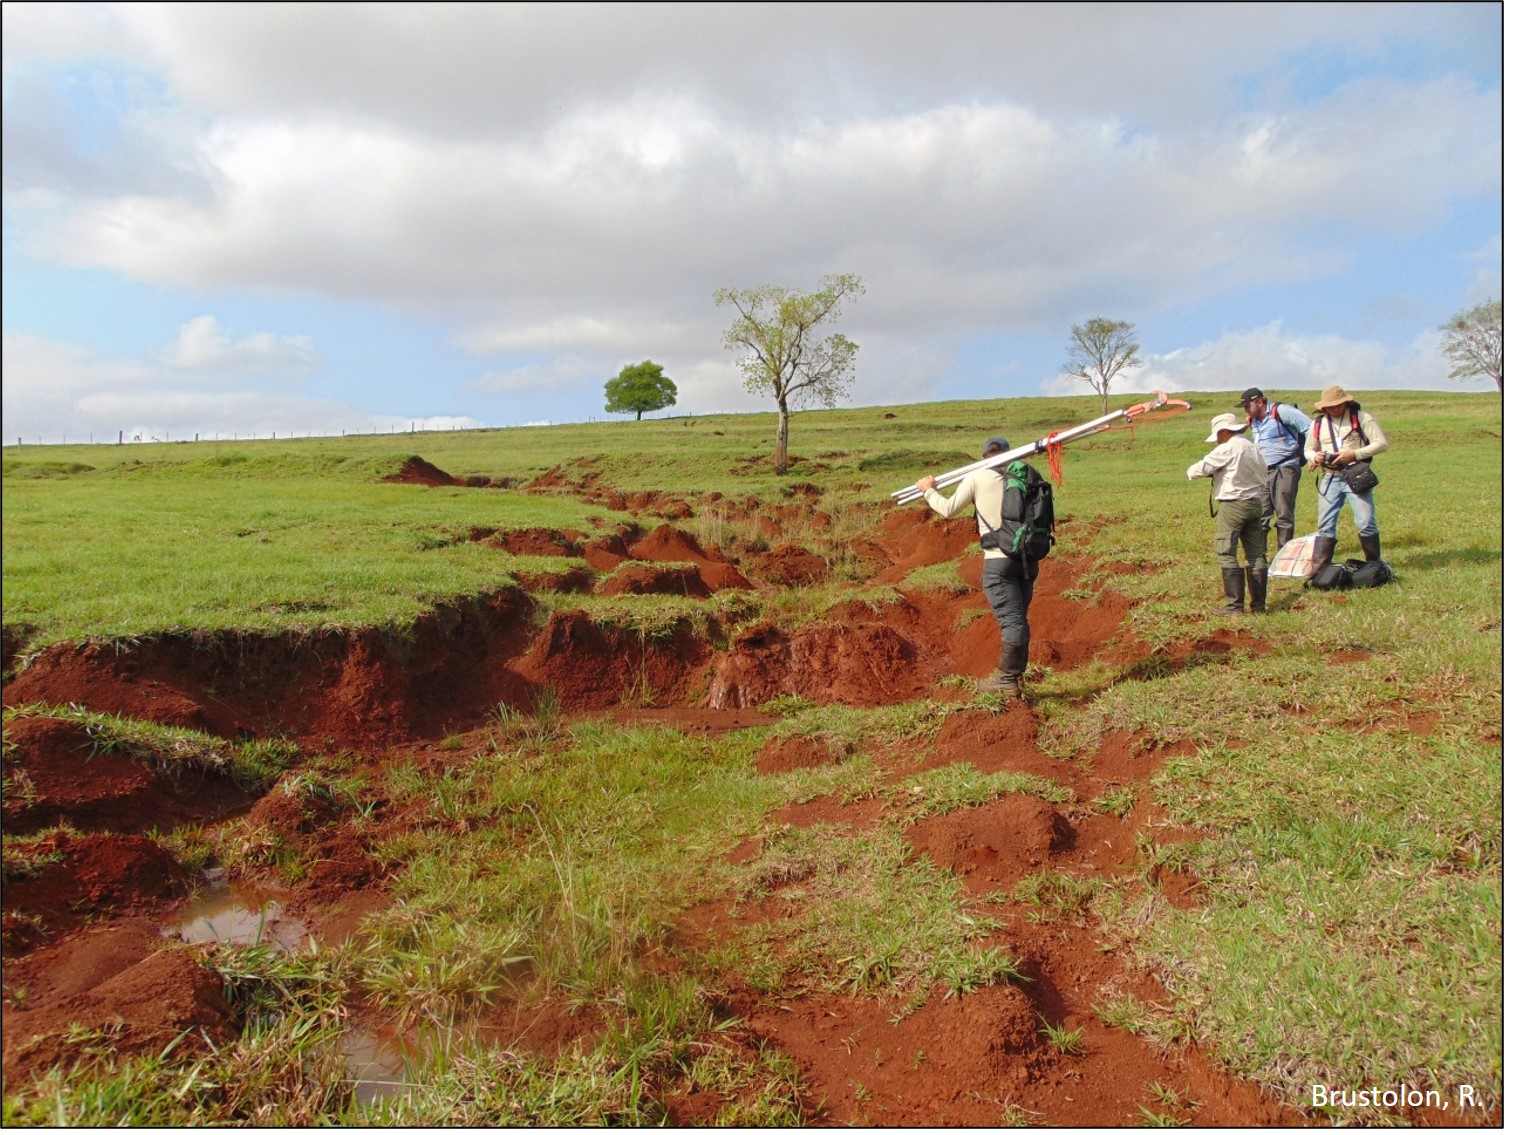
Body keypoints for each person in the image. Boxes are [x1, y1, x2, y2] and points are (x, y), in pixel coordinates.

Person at [916, 438, 1035, 696]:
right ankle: (1015, 678)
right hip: (1028, 560)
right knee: (1019, 620)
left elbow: (948, 509)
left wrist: (927, 490)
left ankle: (1007, 681)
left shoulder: (978, 476)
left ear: (984, 456)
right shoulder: (1025, 474)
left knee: (1012, 622)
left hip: (998, 560)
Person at [1303, 384, 1389, 579]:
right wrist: (1314, 457)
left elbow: (1381, 443)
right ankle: (1320, 571)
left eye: (1338, 405)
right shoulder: (1317, 424)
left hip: (1356, 475)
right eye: (1330, 406)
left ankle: (1374, 566)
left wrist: (1354, 454)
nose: (1334, 409)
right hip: (1330, 477)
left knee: (1366, 522)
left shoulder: (1362, 418)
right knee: (1325, 525)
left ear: (1346, 402)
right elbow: (1308, 449)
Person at [1187, 412, 1270, 613]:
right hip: (1255, 502)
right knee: (1256, 554)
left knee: (1226, 551)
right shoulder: (1253, 447)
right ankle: (1259, 606)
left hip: (1233, 504)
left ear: (1223, 432)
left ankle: (1234, 606)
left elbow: (1196, 470)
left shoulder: (1227, 448)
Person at [1238, 387, 1312, 552]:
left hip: (1286, 467)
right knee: (1261, 514)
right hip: (1263, 471)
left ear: (1259, 402)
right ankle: (1259, 557)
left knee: (1284, 512)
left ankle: (1283, 555)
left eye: (1247, 406)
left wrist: (1310, 453)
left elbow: (1310, 427)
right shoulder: (1253, 421)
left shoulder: (1282, 411)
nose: (1246, 410)